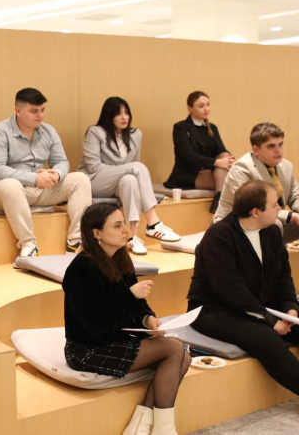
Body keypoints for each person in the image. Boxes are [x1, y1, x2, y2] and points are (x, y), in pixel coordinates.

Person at [63, 203, 191, 435]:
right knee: (174, 348)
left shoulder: (121, 259)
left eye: (124, 223)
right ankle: (165, 430)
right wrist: (130, 296)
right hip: (87, 348)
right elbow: (96, 326)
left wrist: (148, 321)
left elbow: (138, 306)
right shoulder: (81, 269)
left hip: (115, 339)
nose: (126, 229)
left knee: (184, 357)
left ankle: (140, 427)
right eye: (117, 225)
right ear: (97, 233)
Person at [188, 180, 299, 397]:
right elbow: (231, 290)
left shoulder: (272, 231)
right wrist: (270, 320)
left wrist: (290, 309)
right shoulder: (219, 236)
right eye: (274, 204)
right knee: (266, 338)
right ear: (256, 211)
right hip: (215, 310)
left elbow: (283, 277)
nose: (280, 208)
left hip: (258, 305)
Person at [0, 87, 92, 263]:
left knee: (81, 179)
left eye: (42, 110)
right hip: (1, 190)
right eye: (34, 111)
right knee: (11, 185)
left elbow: (62, 162)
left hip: (39, 189)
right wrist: (34, 178)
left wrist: (56, 174)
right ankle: (28, 243)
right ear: (18, 111)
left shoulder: (49, 131)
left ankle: (76, 241)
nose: (40, 115)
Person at [79, 97, 180, 255]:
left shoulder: (135, 134)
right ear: (109, 115)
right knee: (136, 168)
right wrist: (124, 169)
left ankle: (132, 237)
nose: (124, 117)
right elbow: (93, 166)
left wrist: (125, 170)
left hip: (119, 182)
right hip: (94, 180)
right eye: (118, 113)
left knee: (130, 180)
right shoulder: (95, 132)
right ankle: (153, 223)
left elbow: (133, 166)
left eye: (126, 113)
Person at [213, 122, 299, 243]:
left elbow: (295, 196)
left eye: (280, 144)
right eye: (271, 146)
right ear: (256, 150)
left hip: (271, 219)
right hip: (235, 227)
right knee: (274, 225)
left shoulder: (287, 165)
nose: (278, 150)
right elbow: (252, 208)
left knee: (276, 224)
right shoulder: (241, 169)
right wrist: (290, 216)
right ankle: (271, 255)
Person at [164, 91, 234, 214]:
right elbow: (188, 155)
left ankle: (219, 202)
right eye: (201, 106)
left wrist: (230, 161)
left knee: (226, 156)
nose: (206, 109)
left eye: (208, 105)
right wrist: (217, 162)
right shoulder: (181, 127)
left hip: (211, 170)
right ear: (190, 108)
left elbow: (221, 150)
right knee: (231, 180)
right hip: (189, 173)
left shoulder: (212, 127)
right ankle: (221, 203)